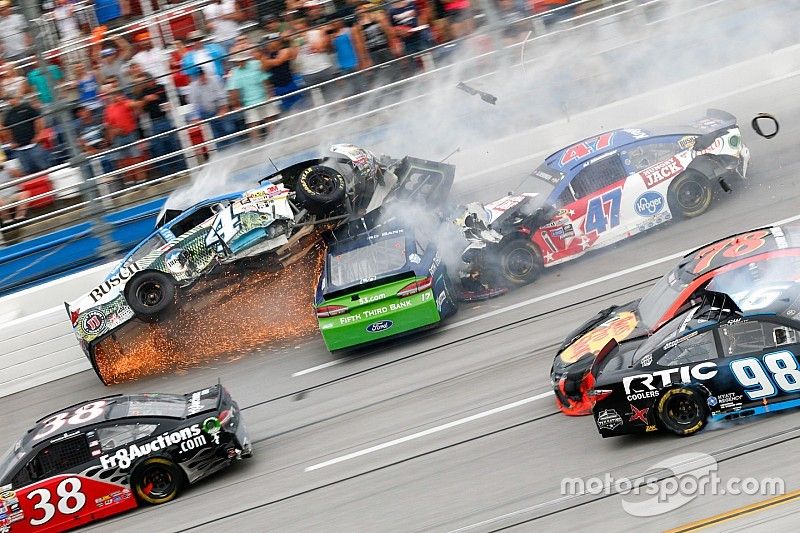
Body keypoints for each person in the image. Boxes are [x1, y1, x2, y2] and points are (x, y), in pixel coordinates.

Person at [135, 74, 185, 177]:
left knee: (173, 144)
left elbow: (174, 99)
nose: (148, 83)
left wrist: (170, 105)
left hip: (167, 118)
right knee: (159, 149)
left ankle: (181, 168)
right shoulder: (142, 93)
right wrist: (146, 99)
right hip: (153, 122)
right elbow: (138, 108)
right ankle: (166, 173)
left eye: (149, 80)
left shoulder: (162, 87)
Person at [226, 53, 278, 141]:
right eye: (238, 61)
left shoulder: (256, 64)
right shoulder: (234, 72)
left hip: (263, 98)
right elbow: (233, 90)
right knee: (253, 125)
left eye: (241, 61)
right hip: (249, 102)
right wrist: (236, 104)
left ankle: (275, 140)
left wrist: (270, 95)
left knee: (270, 120)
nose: (240, 63)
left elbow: (265, 80)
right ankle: (256, 145)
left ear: (246, 60)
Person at [102, 84, 147, 184]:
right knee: (123, 163)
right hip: (117, 139)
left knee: (137, 160)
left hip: (130, 135)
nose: (114, 96)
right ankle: (129, 184)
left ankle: (142, 182)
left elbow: (138, 105)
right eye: (112, 94)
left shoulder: (126, 103)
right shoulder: (108, 109)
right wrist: (111, 137)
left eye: (117, 94)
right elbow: (108, 125)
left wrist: (124, 101)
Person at [1, 94, 53, 175]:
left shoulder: (27, 108)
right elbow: (5, 129)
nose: (11, 101)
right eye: (8, 99)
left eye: (12, 98)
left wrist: (37, 136)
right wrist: (10, 142)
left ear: (17, 98)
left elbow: (39, 120)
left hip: (33, 146)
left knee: (44, 168)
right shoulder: (8, 114)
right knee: (27, 173)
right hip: (20, 149)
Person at [187, 69, 237, 150]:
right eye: (199, 75)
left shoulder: (215, 79)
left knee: (229, 129)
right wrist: (195, 117)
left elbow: (222, 95)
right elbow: (194, 104)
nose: (202, 77)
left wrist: (223, 109)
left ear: (205, 73)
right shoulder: (193, 87)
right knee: (215, 134)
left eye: (202, 74)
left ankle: (235, 147)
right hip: (206, 112)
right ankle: (223, 152)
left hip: (219, 107)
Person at [295, 16, 338, 105]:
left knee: (332, 95)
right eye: (296, 26)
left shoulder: (317, 33)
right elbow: (295, 56)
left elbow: (324, 48)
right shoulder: (295, 39)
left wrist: (307, 38)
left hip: (323, 68)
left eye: (299, 25)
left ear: (305, 25)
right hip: (307, 73)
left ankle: (339, 112)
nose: (297, 28)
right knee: (313, 100)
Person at [259, 36, 303, 114]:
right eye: (269, 42)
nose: (270, 43)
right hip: (278, 87)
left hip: (290, 83)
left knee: (300, 105)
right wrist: (268, 61)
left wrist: (268, 62)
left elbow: (278, 62)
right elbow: (263, 68)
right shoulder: (267, 55)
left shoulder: (285, 50)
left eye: (273, 41)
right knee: (287, 110)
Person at [0, 150, 29, 224]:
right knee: (0, 202)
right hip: (1, 198)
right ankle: (7, 221)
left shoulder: (9, 165)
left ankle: (19, 217)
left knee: (25, 194)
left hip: (13, 194)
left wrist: (10, 169)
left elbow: (20, 175)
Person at [169, 39, 192, 105]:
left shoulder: (189, 52)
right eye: (175, 45)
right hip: (181, 83)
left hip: (191, 79)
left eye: (178, 44)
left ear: (183, 44)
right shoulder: (173, 55)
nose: (177, 46)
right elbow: (172, 68)